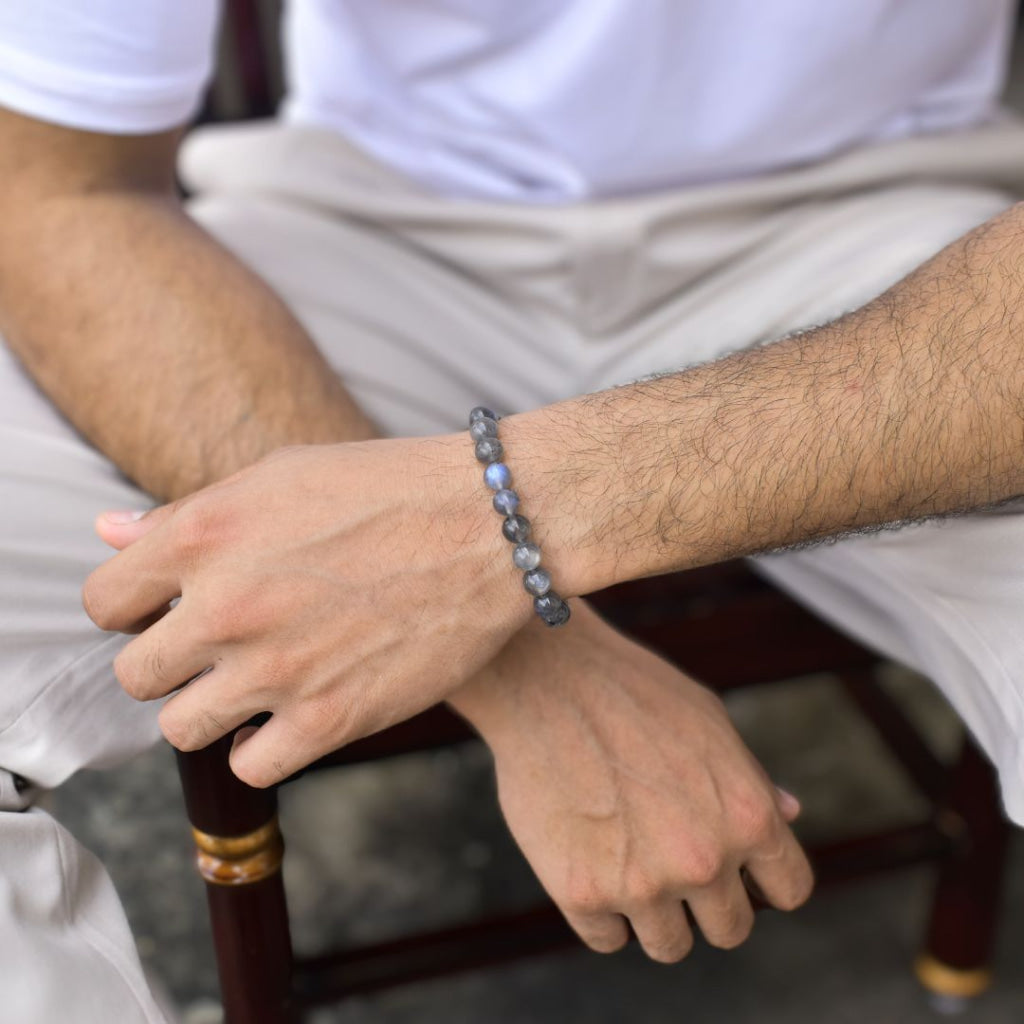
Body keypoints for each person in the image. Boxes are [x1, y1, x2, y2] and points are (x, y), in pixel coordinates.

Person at [3, 1, 1024, 1020]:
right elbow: (59, 190)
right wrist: (538, 665)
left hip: (910, 259)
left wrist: (492, 534)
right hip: (361, 227)